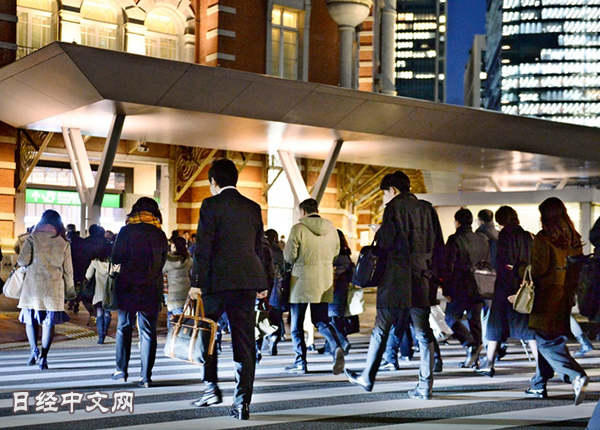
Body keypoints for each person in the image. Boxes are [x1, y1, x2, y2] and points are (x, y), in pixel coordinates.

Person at [345, 171, 444, 400]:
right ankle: (425, 386)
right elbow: (439, 245)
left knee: (382, 327)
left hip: (396, 278)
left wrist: (379, 231)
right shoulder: (428, 209)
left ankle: (368, 376)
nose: (384, 199)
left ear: (393, 190)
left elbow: (387, 243)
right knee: (423, 331)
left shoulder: (394, 207)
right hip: (422, 277)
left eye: (384, 194)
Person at [189, 159, 267, 421]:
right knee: (244, 341)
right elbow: (259, 248)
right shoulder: (253, 207)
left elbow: (203, 247)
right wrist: (262, 284)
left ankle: (210, 388)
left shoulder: (210, 205)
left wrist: (196, 283)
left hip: (216, 283)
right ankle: (242, 403)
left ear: (213, 182)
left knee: (206, 334)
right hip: (246, 283)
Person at [517, 197, 588, 405]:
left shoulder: (544, 238)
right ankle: (539, 384)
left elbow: (539, 269)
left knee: (546, 340)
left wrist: (520, 269)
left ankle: (575, 375)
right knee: (549, 336)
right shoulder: (573, 238)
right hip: (565, 295)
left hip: (547, 295)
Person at [110, 197, 168, 388]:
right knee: (148, 332)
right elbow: (162, 262)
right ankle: (146, 376)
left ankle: (121, 370)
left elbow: (116, 257)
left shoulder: (126, 230)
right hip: (151, 288)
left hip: (127, 286)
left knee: (124, 327)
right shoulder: (159, 233)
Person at [283, 198, 344, 375]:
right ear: (316, 210)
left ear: (302, 212)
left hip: (301, 282)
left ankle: (300, 362)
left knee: (296, 325)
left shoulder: (298, 229)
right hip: (324, 281)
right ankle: (336, 346)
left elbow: (289, 256)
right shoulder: (332, 230)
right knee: (321, 320)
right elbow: (336, 254)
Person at [476, 206, 538, 377]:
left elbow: (502, 263)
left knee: (495, 325)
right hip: (523, 287)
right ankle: (540, 366)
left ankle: (489, 363)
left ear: (501, 221)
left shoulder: (504, 236)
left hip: (505, 287)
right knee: (527, 328)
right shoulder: (528, 236)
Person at [17, 209, 76, 370]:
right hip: (54, 288)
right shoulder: (63, 242)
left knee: (30, 320)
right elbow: (68, 270)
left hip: (33, 287)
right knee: (48, 323)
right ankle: (43, 357)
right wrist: (70, 290)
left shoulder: (33, 237)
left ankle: (33, 350)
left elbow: (22, 261)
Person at [442, 208, 490, 368]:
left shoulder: (454, 239)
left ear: (457, 222)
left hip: (460, 287)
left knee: (450, 317)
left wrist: (446, 288)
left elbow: (448, 265)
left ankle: (470, 344)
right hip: (479, 286)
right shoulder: (482, 239)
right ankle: (475, 359)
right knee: (474, 321)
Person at [318, 229, 353, 355]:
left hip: (332, 287)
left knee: (332, 318)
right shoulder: (346, 254)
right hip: (343, 287)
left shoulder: (333, 255)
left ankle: (342, 341)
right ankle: (329, 346)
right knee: (335, 316)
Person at [85, 240, 113, 344]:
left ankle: (101, 336)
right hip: (109, 292)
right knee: (107, 313)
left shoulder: (95, 262)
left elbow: (88, 275)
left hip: (98, 292)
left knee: (99, 312)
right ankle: (105, 331)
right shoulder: (112, 262)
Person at [163, 236, 193, 327]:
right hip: (186, 294)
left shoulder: (167, 261)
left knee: (173, 322)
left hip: (173, 296)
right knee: (185, 321)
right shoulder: (189, 260)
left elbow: (161, 274)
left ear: (174, 246)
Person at [265, 228, 286, 352]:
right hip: (279, 287)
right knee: (276, 315)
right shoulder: (281, 252)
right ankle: (275, 336)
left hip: (265, 286)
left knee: (263, 314)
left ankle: (264, 339)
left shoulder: (263, 250)